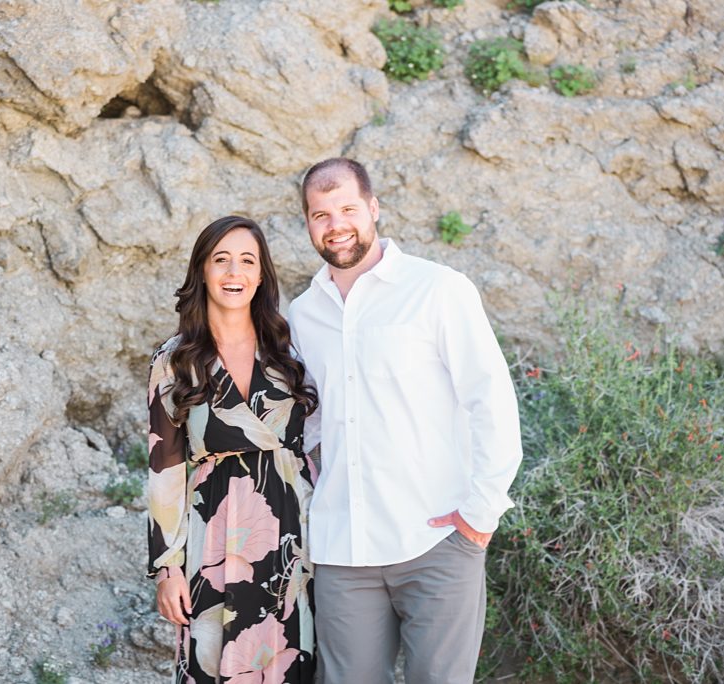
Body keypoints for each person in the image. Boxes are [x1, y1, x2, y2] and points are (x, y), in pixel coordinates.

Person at [287, 158, 523, 684]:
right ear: (307, 223)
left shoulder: (438, 290)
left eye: (347, 208)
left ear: (373, 209)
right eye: (320, 214)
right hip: (342, 550)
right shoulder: (304, 314)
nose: (336, 224)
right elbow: (312, 421)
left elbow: (492, 401)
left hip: (436, 539)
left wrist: (479, 516)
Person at [147, 215, 320, 683]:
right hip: (213, 540)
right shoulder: (176, 359)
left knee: (289, 662)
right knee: (216, 663)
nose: (233, 272)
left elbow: (322, 444)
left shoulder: (291, 350)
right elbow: (164, 467)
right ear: (202, 270)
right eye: (220, 260)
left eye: (247, 261)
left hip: (293, 534)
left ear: (261, 275)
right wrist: (166, 568)